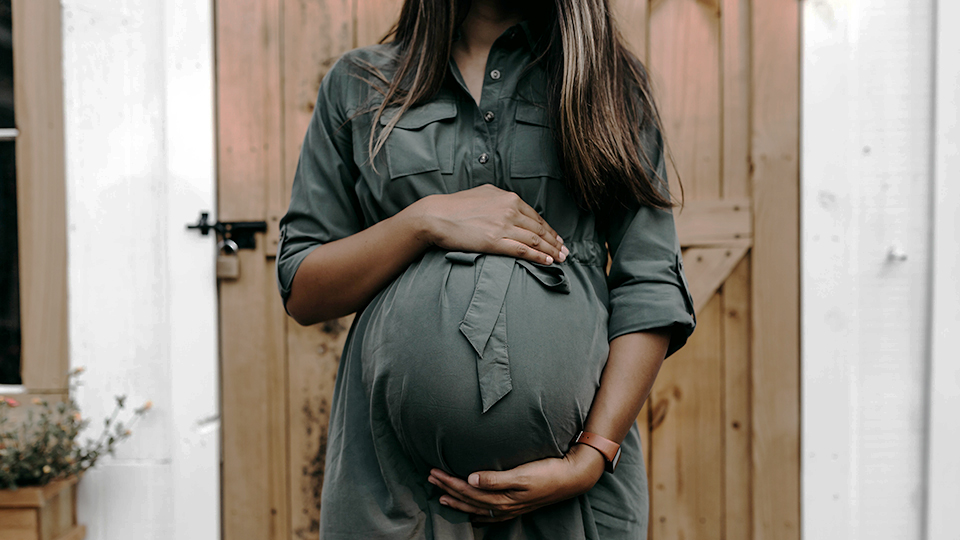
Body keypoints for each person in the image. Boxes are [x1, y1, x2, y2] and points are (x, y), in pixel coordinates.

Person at [275, 0, 696, 537]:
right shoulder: (359, 84)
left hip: (572, 499)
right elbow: (304, 290)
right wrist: (421, 221)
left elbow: (651, 283)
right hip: (396, 494)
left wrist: (591, 455)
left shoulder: (607, 83)